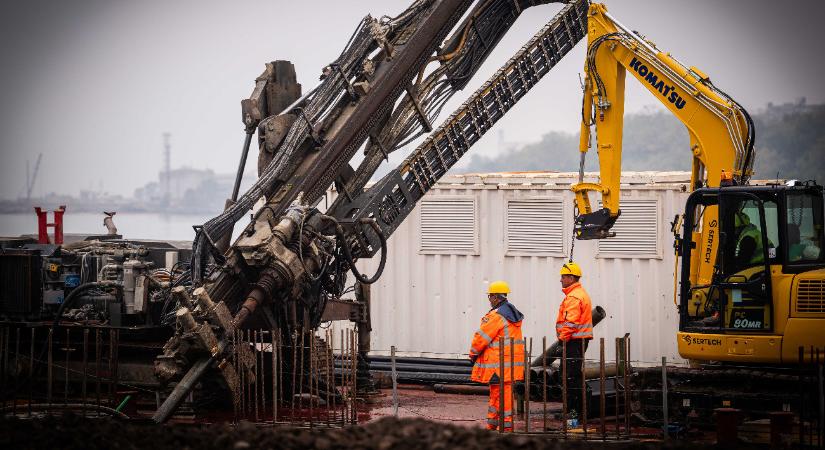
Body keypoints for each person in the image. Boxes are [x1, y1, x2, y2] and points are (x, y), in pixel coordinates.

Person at [469, 280, 525, 431]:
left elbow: (481, 338)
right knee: (505, 394)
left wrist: (473, 354)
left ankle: (499, 426)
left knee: (497, 394)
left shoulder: (496, 315)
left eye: (490, 296)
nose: (489, 300)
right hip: (509, 364)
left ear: (495, 297)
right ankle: (499, 424)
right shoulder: (512, 314)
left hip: (498, 365)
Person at [557, 262, 593, 419]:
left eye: (563, 277)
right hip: (576, 341)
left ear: (571, 278)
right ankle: (573, 411)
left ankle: (574, 413)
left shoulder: (574, 297)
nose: (560, 280)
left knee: (571, 378)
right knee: (571, 376)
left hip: (573, 342)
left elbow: (571, 323)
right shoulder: (579, 294)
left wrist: (562, 341)